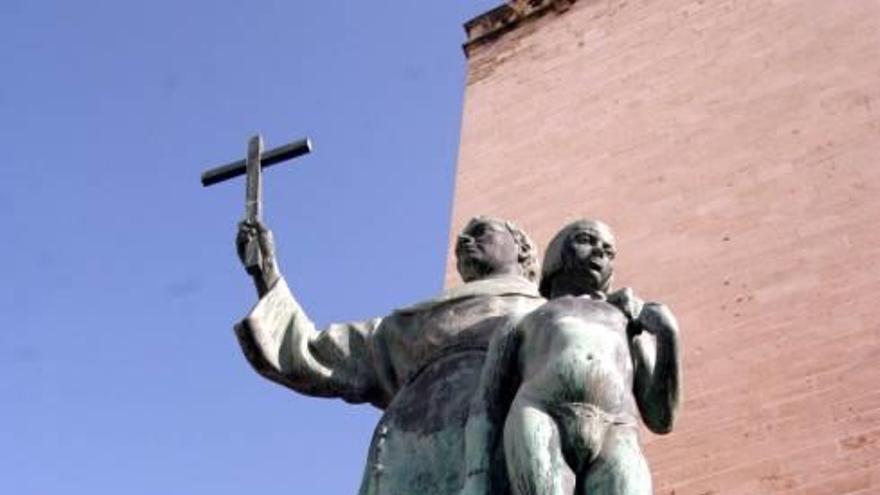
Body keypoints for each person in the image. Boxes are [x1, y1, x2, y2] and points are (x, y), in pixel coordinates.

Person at [234, 215, 545, 495]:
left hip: (504, 460)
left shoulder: (554, 313)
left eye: (481, 232)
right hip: (404, 465)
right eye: (462, 237)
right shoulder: (416, 323)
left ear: (521, 248)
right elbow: (319, 352)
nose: (464, 241)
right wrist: (268, 274)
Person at [460, 219, 682, 495]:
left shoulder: (628, 323)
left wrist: (668, 334)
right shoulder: (522, 320)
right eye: (586, 240)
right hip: (541, 414)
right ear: (557, 255)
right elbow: (486, 407)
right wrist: (476, 476)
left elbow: (661, 418)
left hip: (616, 428)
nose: (599, 252)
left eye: (609, 251)